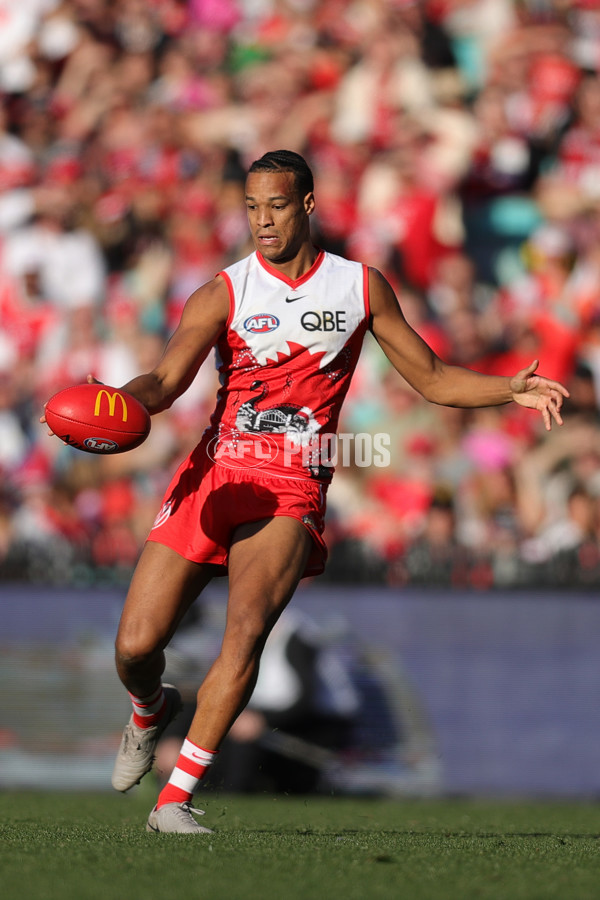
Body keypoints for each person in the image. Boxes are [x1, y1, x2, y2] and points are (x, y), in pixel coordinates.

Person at [42, 149, 568, 833]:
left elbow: (434, 378)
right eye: (252, 208)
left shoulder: (359, 286)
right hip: (215, 475)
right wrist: (118, 404)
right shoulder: (225, 291)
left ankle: (175, 800)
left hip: (292, 485)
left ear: (309, 205)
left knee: (247, 629)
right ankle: (150, 709)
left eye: (277, 206)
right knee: (136, 648)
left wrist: (510, 389)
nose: (262, 221)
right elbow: (164, 382)